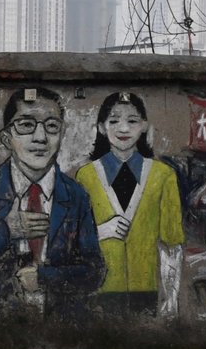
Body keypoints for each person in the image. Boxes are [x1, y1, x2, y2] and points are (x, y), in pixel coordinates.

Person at [0, 88, 104, 321]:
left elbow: (94, 271)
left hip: (58, 336)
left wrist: (44, 277)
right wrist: (6, 231)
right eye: (26, 125)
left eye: (51, 126)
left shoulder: (75, 195)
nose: (40, 137)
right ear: (7, 137)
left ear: (61, 135)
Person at [74, 91, 185, 317]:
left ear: (144, 126)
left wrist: (171, 299)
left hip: (146, 287)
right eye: (114, 121)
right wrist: (102, 231)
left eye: (132, 121)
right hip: (99, 287)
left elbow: (172, 243)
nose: (123, 129)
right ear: (102, 127)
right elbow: (74, 237)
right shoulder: (86, 176)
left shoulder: (163, 175)